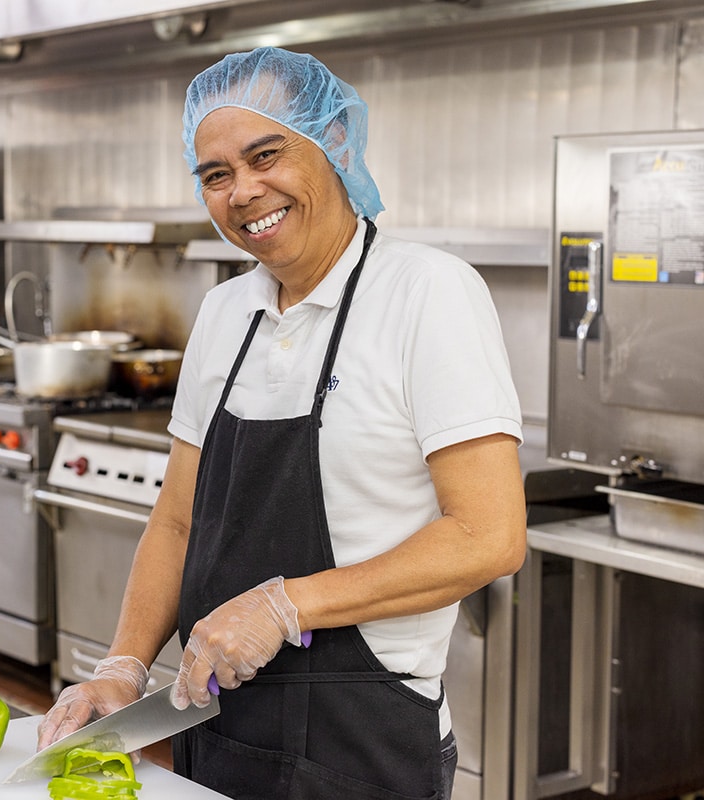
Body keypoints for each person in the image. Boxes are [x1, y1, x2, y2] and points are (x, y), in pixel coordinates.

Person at [36, 47, 527, 800]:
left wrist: (285, 604)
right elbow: (176, 520)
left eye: (267, 155)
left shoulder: (427, 293)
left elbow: (489, 537)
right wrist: (123, 667)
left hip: (362, 736)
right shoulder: (224, 311)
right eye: (216, 174)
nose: (243, 191)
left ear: (333, 145)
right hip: (216, 717)